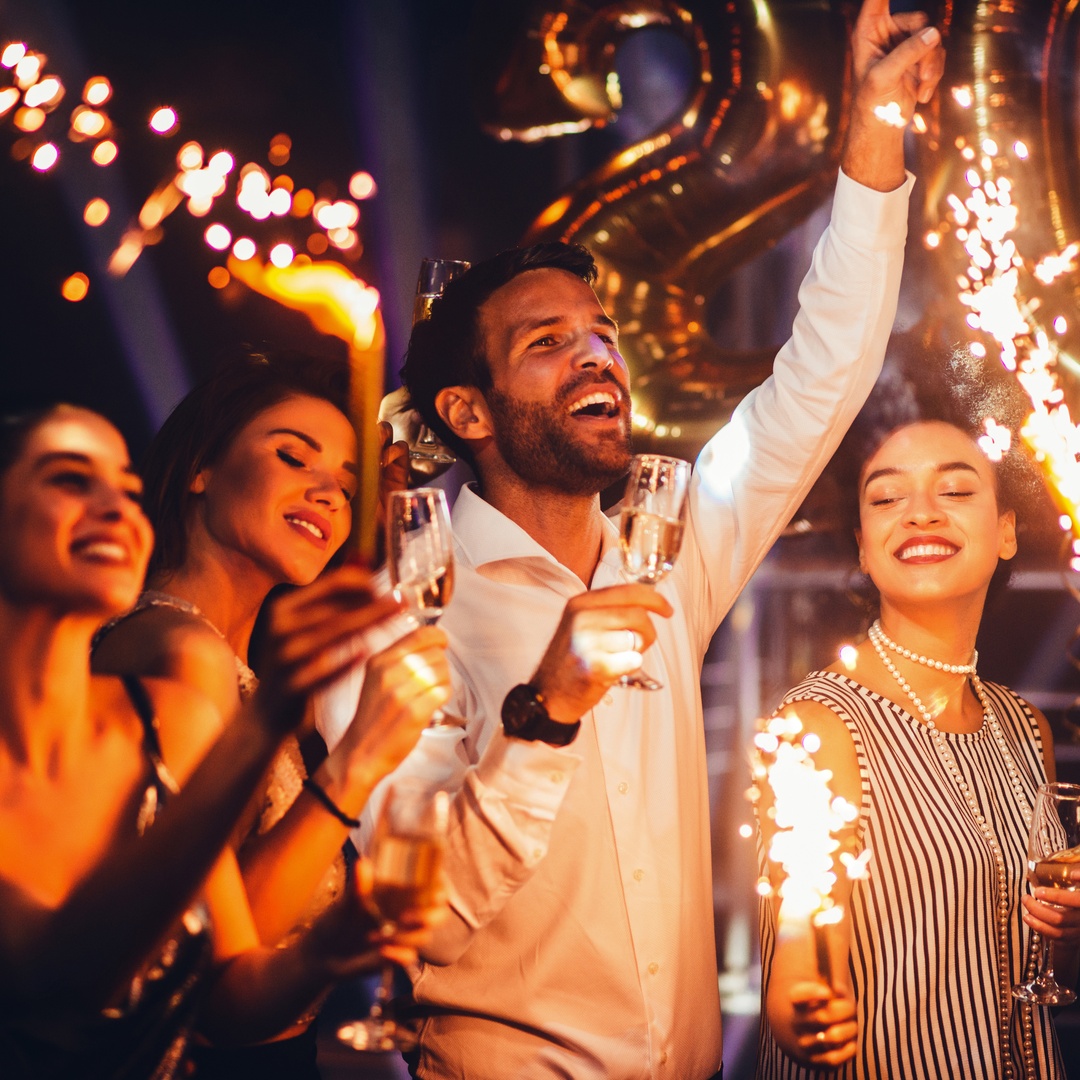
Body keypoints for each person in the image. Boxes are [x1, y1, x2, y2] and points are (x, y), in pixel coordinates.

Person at [316, 2, 945, 1076]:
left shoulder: (670, 552)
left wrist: (875, 129)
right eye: (549, 343)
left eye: (601, 337)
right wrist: (545, 709)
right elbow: (421, 919)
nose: (597, 358)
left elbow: (823, 374)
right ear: (469, 414)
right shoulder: (399, 618)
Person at [0, 404, 441, 1078]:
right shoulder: (180, 653)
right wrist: (328, 752)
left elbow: (224, 991)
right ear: (200, 470)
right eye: (69, 479)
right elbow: (61, 996)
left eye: (126, 488)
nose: (116, 508)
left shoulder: (166, 713)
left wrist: (325, 951)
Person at [755, 355, 1078, 1078]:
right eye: (886, 499)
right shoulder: (817, 726)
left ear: (1005, 531)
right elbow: (794, 964)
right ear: (865, 550)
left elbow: (1030, 958)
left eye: (955, 490)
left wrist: (1069, 933)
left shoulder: (1025, 727)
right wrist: (808, 1011)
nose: (921, 513)